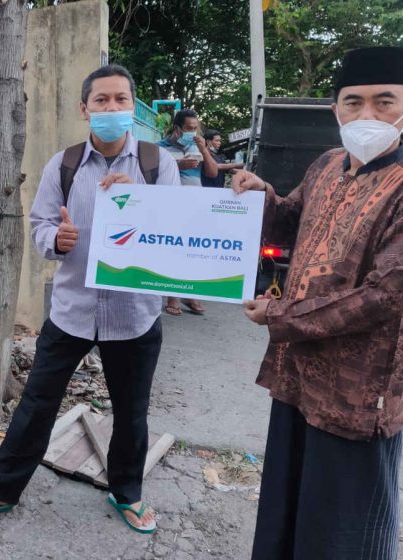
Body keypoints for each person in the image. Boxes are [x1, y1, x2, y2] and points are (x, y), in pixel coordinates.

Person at [0, 64, 181, 534]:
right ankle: (3, 488)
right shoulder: (65, 164)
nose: (111, 108)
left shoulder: (159, 165)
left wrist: (141, 201)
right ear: (85, 109)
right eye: (101, 101)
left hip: (134, 316)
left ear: (132, 108)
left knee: (132, 411)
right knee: (37, 403)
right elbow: (38, 226)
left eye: (121, 99)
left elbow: (175, 231)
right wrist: (58, 240)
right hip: (72, 309)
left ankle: (127, 493)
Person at [233, 46, 403, 559]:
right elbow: (290, 219)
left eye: (385, 102)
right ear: (335, 110)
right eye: (353, 102)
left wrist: (280, 315)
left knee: (344, 526)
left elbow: (385, 294)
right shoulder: (328, 164)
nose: (367, 115)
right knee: (288, 506)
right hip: (298, 379)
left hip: (359, 394)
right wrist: (262, 194)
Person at [159, 109, 218, 316]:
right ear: (177, 128)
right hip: (171, 206)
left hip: (196, 207)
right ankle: (172, 297)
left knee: (193, 250)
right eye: (189, 128)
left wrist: (204, 151)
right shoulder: (161, 148)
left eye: (196, 128)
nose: (194, 132)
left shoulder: (198, 146)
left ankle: (190, 294)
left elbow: (212, 173)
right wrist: (177, 165)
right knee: (174, 249)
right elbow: (151, 172)